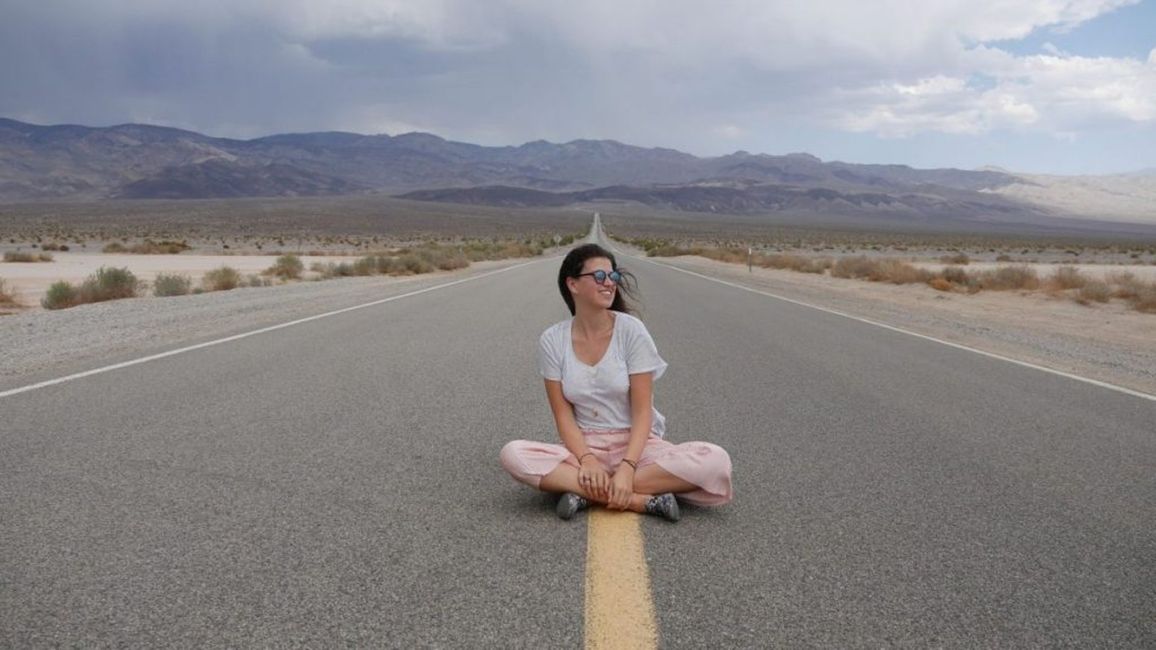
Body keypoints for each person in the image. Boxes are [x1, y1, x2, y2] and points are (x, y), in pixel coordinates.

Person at [500, 243, 733, 521]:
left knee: (715, 460)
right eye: (599, 277)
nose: (609, 283)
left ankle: (585, 491)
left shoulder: (631, 330)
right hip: (585, 446)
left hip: (637, 444)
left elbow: (642, 412)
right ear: (573, 284)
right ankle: (639, 500)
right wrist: (586, 459)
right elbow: (563, 416)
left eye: (613, 276)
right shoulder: (552, 340)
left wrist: (627, 466)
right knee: (513, 454)